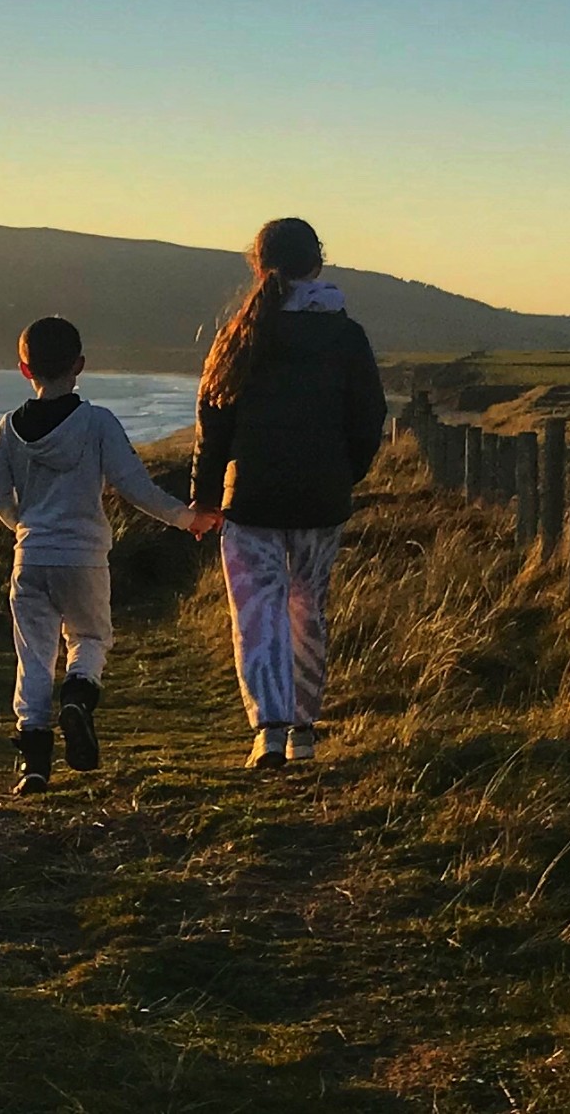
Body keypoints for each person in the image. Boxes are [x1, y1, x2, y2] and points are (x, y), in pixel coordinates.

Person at [0, 316, 221, 795]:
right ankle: (77, 696)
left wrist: (26, 528)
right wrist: (187, 519)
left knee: (33, 656)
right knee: (91, 636)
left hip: (30, 556)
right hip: (84, 556)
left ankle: (34, 765)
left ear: (24, 369)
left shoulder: (7, 430)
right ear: (79, 365)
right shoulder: (97, 423)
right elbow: (136, 488)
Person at [191, 219, 386, 769]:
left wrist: (204, 498)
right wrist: (344, 474)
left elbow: (213, 420)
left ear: (257, 266)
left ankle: (269, 732)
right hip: (322, 499)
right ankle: (304, 731)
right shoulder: (347, 335)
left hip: (251, 498)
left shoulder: (240, 333)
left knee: (259, 614)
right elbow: (369, 416)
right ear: (317, 263)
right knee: (308, 609)